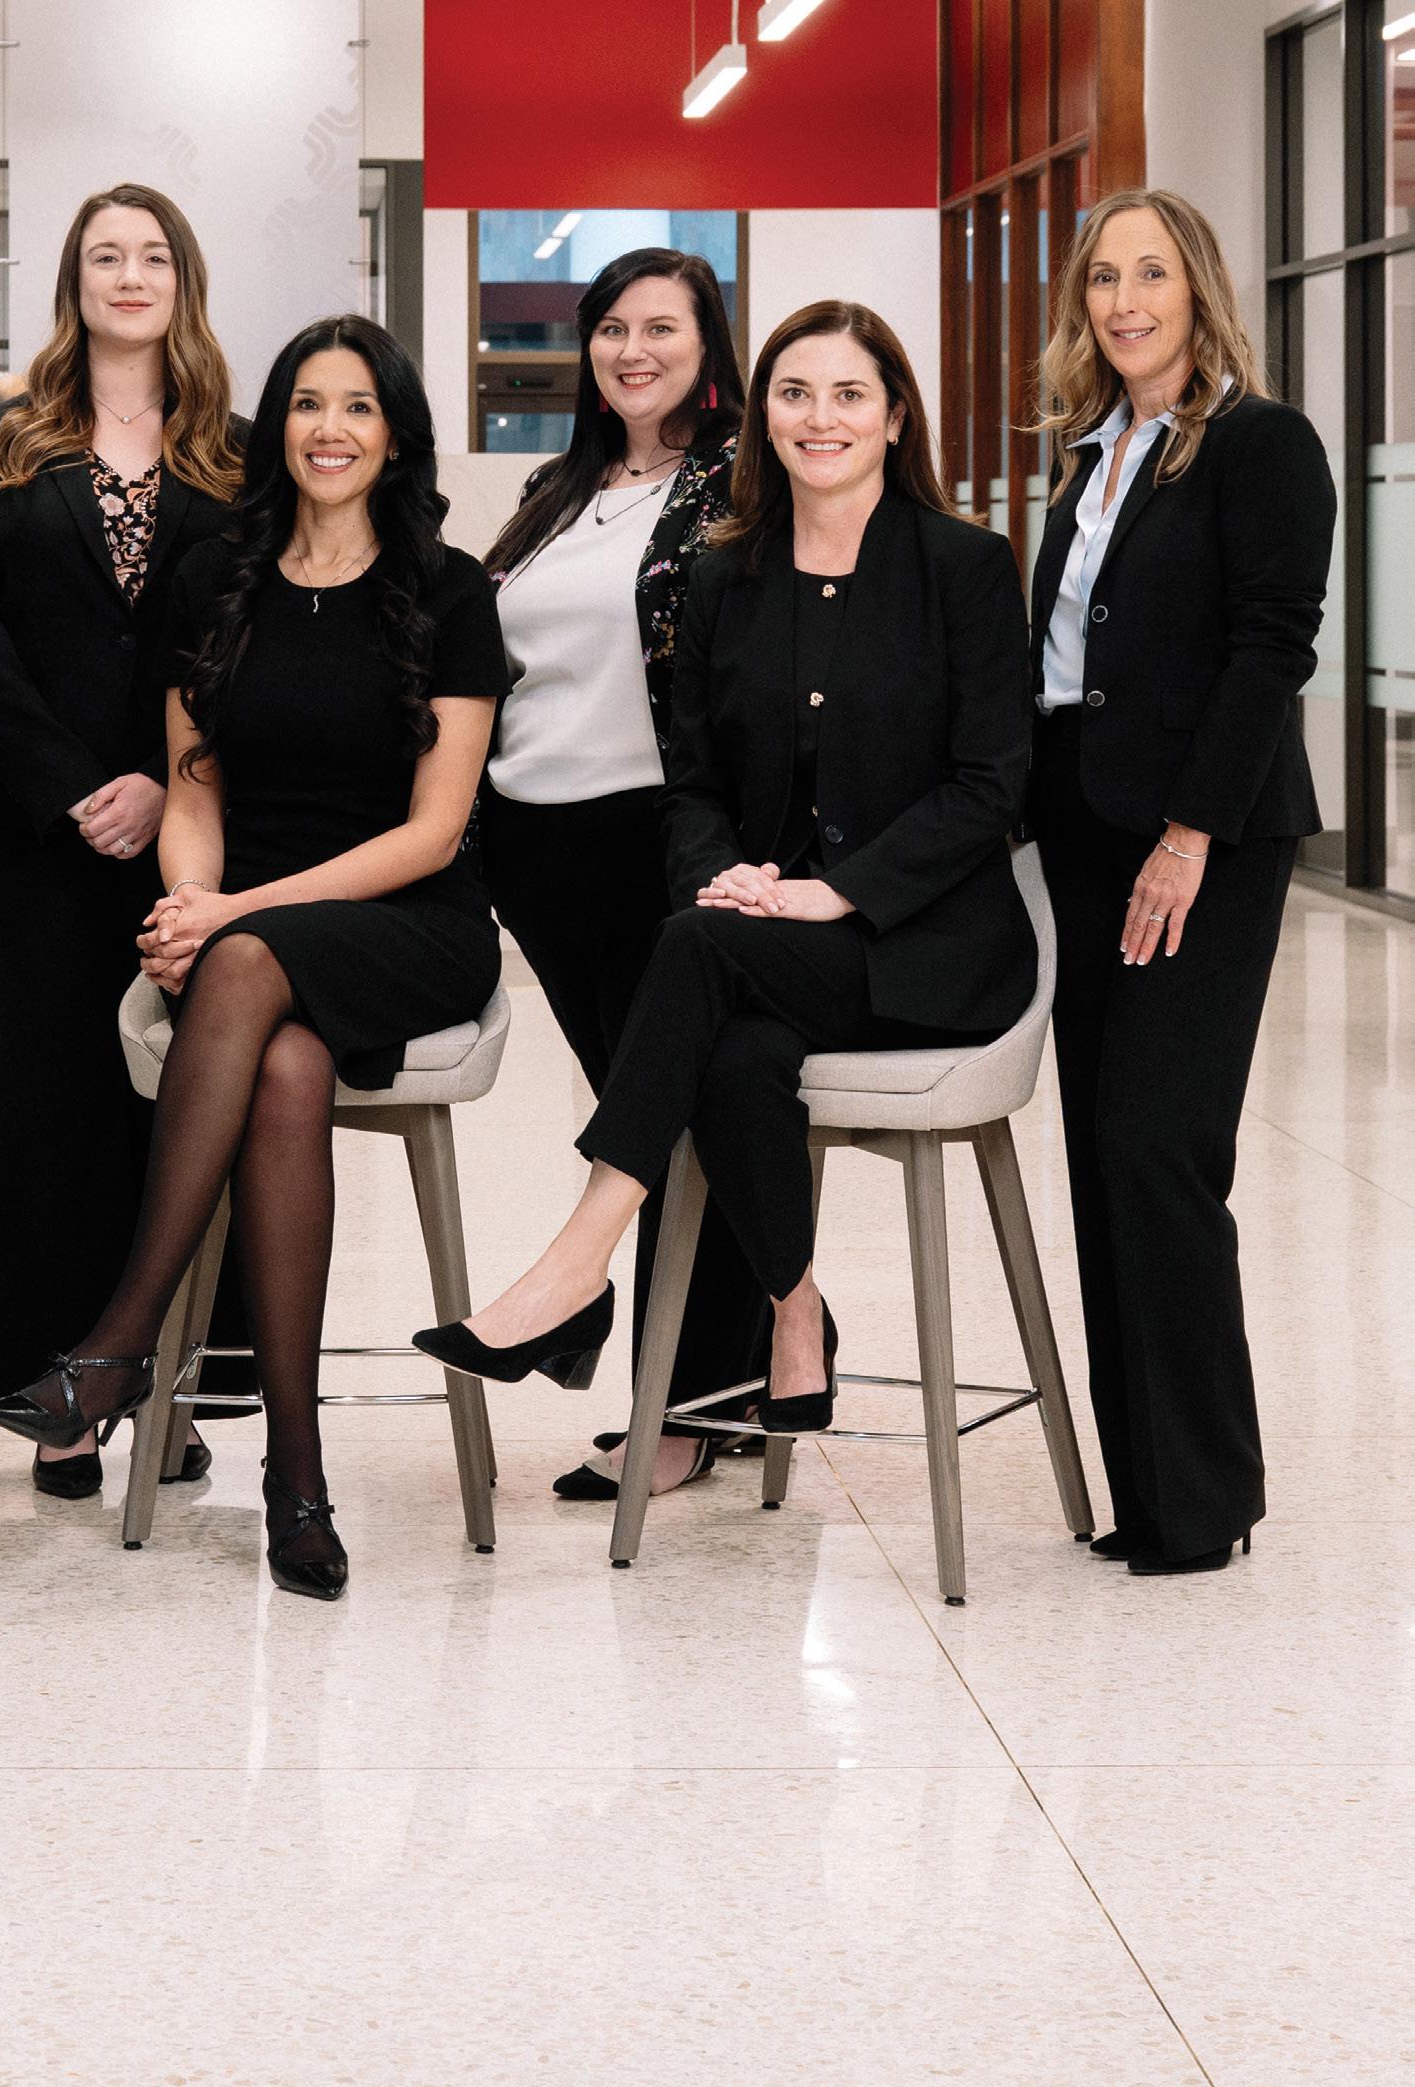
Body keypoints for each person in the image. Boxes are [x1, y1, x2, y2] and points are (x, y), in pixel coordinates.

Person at [420, 304, 1032, 1448]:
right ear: (762, 417)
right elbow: (692, 782)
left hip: (929, 951)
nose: (819, 417)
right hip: (772, 939)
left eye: (848, 394)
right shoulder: (722, 576)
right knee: (735, 1056)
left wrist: (833, 892)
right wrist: (726, 876)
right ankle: (793, 1314)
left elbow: (989, 785)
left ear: (896, 417)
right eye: (794, 393)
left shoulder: (964, 565)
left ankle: (575, 1262)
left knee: (690, 949)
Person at [0, 315, 508, 1603]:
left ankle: (119, 1337)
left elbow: (434, 830)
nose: (331, 429)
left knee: (251, 965)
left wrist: (232, 915)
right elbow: (193, 786)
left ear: (396, 436)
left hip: (409, 920)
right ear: (278, 427)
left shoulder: (449, 589)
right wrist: (191, 896)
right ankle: (296, 1477)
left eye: (359, 407)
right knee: (281, 1070)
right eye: (308, 403)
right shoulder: (215, 577)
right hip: (252, 932)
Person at [1028, 189, 1333, 1576]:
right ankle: (1147, 1493)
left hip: (1199, 837)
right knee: (1102, 1155)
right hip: (1081, 833)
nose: (1124, 302)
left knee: (1159, 1145)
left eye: (1150, 273)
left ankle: (1205, 1499)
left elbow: (1272, 648)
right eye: (1102, 278)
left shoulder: (1260, 444)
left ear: (1198, 287)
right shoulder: (1087, 459)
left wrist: (1189, 833)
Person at [0, 182, 248, 1501]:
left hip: (193, 821)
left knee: (181, 1102)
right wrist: (77, 787)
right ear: (72, 281)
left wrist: (161, 783)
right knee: (53, 1100)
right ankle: (51, 1397)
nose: (129, 275)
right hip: (36, 824)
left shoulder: (237, 451)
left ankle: (169, 1383)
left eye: (152, 256)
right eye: (104, 256)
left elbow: (249, 641)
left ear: (182, 280)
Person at [480, 243, 766, 1507]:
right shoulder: (557, 488)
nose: (631, 349)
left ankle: (687, 1406)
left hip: (659, 839)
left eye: (661, 328)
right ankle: (765, 1349)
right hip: (537, 851)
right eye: (611, 328)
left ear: (707, 348)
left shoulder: (739, 483)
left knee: (665, 1130)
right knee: (657, 1118)